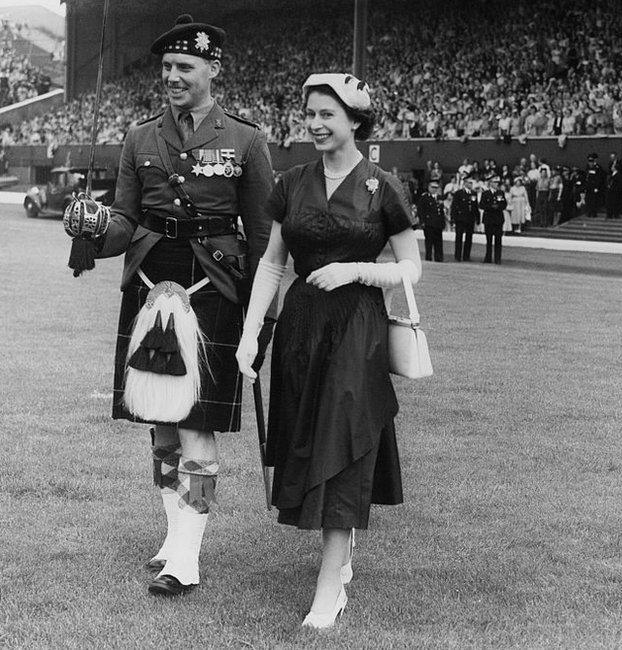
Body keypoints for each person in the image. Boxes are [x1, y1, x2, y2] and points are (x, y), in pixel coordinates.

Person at [65, 14, 274, 597]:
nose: (173, 77)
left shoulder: (246, 140)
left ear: (213, 70)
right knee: (159, 423)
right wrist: (92, 230)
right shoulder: (139, 137)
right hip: (150, 285)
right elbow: (127, 221)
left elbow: (262, 239)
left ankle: (186, 552)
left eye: (185, 67)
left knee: (198, 425)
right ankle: (174, 527)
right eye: (166, 68)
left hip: (214, 290)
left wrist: (264, 317)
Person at [235, 72, 421, 631]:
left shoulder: (383, 187)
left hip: (358, 331)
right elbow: (273, 263)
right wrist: (251, 335)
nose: (314, 124)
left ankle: (329, 582)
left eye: (327, 115)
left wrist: (355, 271)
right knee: (309, 440)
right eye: (309, 114)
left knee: (343, 440)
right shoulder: (291, 182)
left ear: (355, 122)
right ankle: (339, 555)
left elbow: (412, 268)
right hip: (300, 328)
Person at [480, 175, 507, 263]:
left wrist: (498, 206)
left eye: (497, 183)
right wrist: (491, 207)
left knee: (498, 240)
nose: (496, 184)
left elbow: (504, 204)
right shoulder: (485, 194)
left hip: (498, 219)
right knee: (489, 240)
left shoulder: (500, 193)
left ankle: (497, 258)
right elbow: (481, 205)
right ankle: (488, 257)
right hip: (489, 219)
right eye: (494, 182)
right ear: (490, 183)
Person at [417, 180, 446, 261]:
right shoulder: (425, 197)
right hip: (429, 223)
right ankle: (428, 257)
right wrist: (422, 221)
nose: (434, 189)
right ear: (429, 187)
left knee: (439, 242)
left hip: (438, 223)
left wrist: (442, 222)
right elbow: (421, 210)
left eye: (436, 187)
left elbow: (441, 212)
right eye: (432, 187)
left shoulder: (439, 198)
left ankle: (439, 257)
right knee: (429, 241)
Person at [451, 176, 478, 261]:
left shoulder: (473, 193)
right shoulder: (459, 193)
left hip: (470, 218)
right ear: (465, 183)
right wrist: (453, 218)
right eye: (469, 183)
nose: (470, 184)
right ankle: (458, 256)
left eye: (471, 183)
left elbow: (475, 206)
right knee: (459, 237)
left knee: (469, 238)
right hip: (461, 218)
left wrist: (477, 217)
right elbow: (454, 206)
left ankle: (466, 256)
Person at [582, 153, 606, 219]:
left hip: (594, 186)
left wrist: (597, 187)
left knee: (594, 200)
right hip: (588, 186)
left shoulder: (597, 168)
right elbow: (586, 176)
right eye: (589, 161)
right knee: (588, 199)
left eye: (591, 161)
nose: (590, 163)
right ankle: (589, 212)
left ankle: (593, 212)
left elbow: (599, 178)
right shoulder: (587, 167)